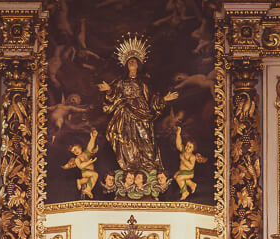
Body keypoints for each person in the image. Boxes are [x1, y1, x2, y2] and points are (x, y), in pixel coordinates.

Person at [98, 37, 177, 176]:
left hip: (143, 114)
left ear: (138, 64)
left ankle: (147, 168)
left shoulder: (144, 82)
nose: (132, 62)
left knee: (145, 139)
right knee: (126, 139)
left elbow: (152, 98)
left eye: (134, 60)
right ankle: (130, 167)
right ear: (126, 65)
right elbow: (114, 95)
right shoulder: (121, 82)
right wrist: (109, 90)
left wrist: (164, 98)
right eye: (129, 61)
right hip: (125, 113)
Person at [172, 128, 208, 201]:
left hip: (189, 173)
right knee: (175, 176)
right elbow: (178, 144)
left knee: (179, 178)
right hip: (182, 171)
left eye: (190, 147)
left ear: (193, 149)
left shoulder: (192, 157)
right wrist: (178, 134)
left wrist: (183, 159)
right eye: (187, 145)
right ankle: (192, 184)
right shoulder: (183, 151)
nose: (187, 148)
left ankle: (185, 192)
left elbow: (190, 167)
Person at [63, 129, 100, 198]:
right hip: (85, 172)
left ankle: (80, 182)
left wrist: (93, 138)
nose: (75, 152)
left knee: (88, 180)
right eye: (73, 151)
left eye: (75, 149)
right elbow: (80, 166)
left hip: (90, 172)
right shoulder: (77, 159)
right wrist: (89, 162)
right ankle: (88, 190)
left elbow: (90, 146)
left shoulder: (86, 153)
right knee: (95, 175)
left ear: (79, 146)